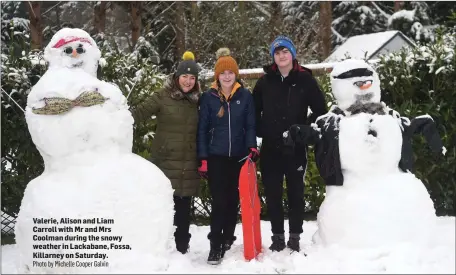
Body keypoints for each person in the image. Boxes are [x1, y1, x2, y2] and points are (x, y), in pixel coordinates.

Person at [252, 35, 327, 252]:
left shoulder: (305, 79)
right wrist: (261, 130)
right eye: (277, 52)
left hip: (295, 147)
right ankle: (277, 236)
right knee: (273, 193)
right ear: (273, 57)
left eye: (285, 51)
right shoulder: (265, 82)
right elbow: (254, 112)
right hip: (271, 147)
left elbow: (321, 111)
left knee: (296, 192)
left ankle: (295, 236)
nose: (281, 55)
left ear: (292, 54)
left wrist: (304, 129)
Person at [130, 51, 201, 254]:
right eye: (184, 76)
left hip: (188, 165)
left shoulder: (199, 102)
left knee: (183, 211)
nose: (188, 81)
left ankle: (181, 251)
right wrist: (117, 115)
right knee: (161, 209)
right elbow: (139, 112)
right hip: (165, 163)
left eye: (192, 78)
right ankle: (155, 250)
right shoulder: (162, 97)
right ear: (176, 77)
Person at [197, 48, 259, 265]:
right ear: (217, 75)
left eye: (230, 72)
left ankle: (227, 238)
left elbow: (251, 125)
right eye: (222, 73)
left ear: (236, 74)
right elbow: (202, 129)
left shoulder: (245, 96)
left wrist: (252, 146)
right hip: (216, 157)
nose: (226, 76)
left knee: (233, 201)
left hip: (239, 157)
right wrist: (203, 158)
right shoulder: (208, 98)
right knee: (220, 201)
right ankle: (215, 245)